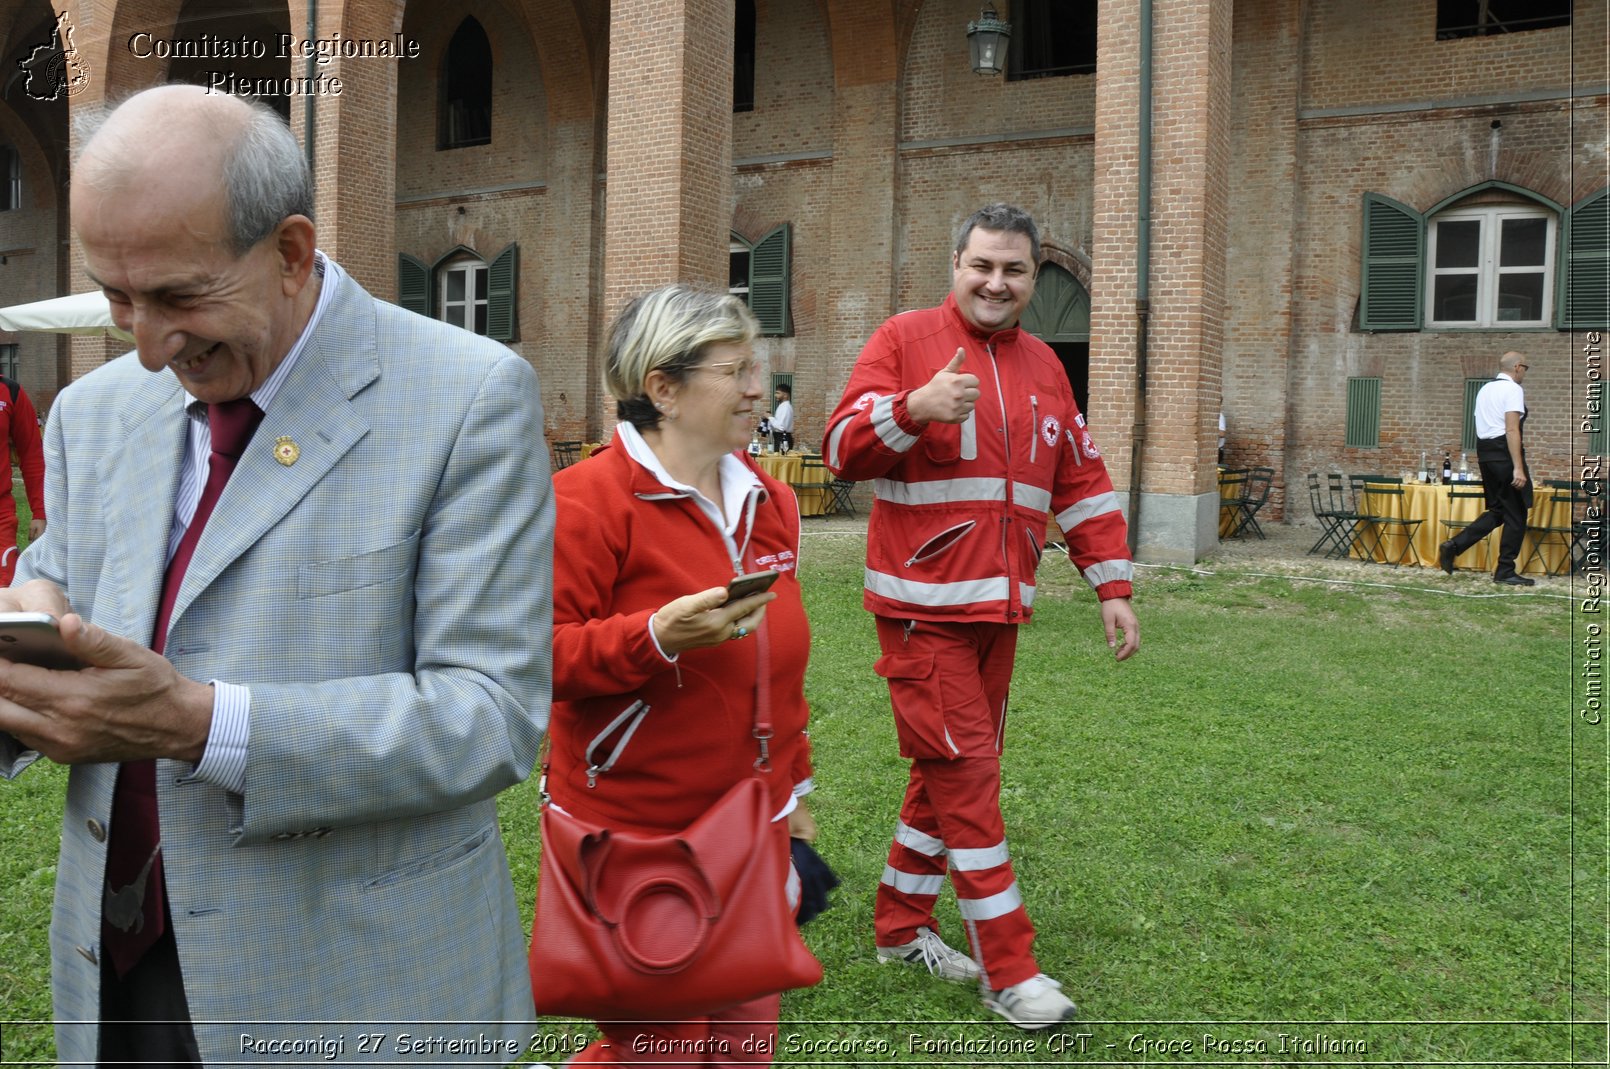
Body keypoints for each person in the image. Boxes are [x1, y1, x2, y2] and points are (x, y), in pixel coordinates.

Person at [0, 86, 552, 1066]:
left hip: (350, 998)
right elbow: (57, 575)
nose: (147, 345)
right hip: (119, 986)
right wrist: (32, 620)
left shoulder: (467, 398)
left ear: (292, 252)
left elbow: (488, 714)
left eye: (178, 296)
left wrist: (202, 723)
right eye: (115, 296)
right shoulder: (95, 413)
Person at [822, 203, 1139, 1030]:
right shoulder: (902, 341)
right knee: (969, 780)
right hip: (921, 613)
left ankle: (899, 929)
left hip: (1001, 611)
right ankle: (1010, 969)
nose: (997, 283)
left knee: (947, 768)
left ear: (1033, 278)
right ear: (955, 266)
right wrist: (914, 407)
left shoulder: (1045, 367)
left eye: (1015, 270)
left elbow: (1079, 480)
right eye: (983, 266)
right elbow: (840, 451)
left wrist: (1113, 586)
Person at [541, 284, 816, 1065]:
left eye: (756, 366)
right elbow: (540, 658)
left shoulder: (771, 500)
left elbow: (778, 673)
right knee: (656, 1052)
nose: (759, 387)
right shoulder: (584, 502)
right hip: (637, 836)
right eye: (738, 370)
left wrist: (793, 794)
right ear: (662, 387)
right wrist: (655, 636)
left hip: (752, 827)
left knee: (741, 1047)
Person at [1439, 351, 1535, 586]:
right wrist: (1518, 468)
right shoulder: (1513, 390)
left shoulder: (1484, 390)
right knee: (1517, 513)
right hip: (1504, 455)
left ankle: (1454, 545)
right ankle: (1505, 570)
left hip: (1486, 455)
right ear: (1517, 367)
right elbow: (1512, 430)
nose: (1525, 373)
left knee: (1498, 510)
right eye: (1526, 368)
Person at [0, 373, 45, 583]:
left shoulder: (10, 391)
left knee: (3, 599)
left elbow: (32, 454)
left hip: (1, 516)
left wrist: (40, 511)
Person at [770, 381, 795, 452]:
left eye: (778, 393)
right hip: (779, 437)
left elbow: (781, 427)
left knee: (781, 460)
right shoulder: (782, 406)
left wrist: (770, 417)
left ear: (785, 395)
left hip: (783, 438)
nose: (775, 395)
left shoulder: (786, 407)